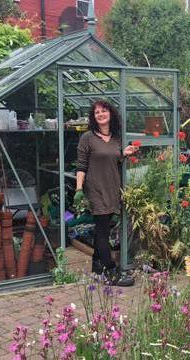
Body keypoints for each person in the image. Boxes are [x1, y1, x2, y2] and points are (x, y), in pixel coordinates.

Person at [74, 100, 138, 286]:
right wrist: (79, 189)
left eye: (104, 111)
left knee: (105, 227)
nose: (101, 114)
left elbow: (114, 159)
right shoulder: (87, 138)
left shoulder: (117, 138)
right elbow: (81, 165)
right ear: (93, 117)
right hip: (96, 189)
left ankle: (97, 264)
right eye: (97, 113)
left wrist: (124, 153)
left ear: (111, 114)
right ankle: (111, 272)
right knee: (102, 229)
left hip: (112, 188)